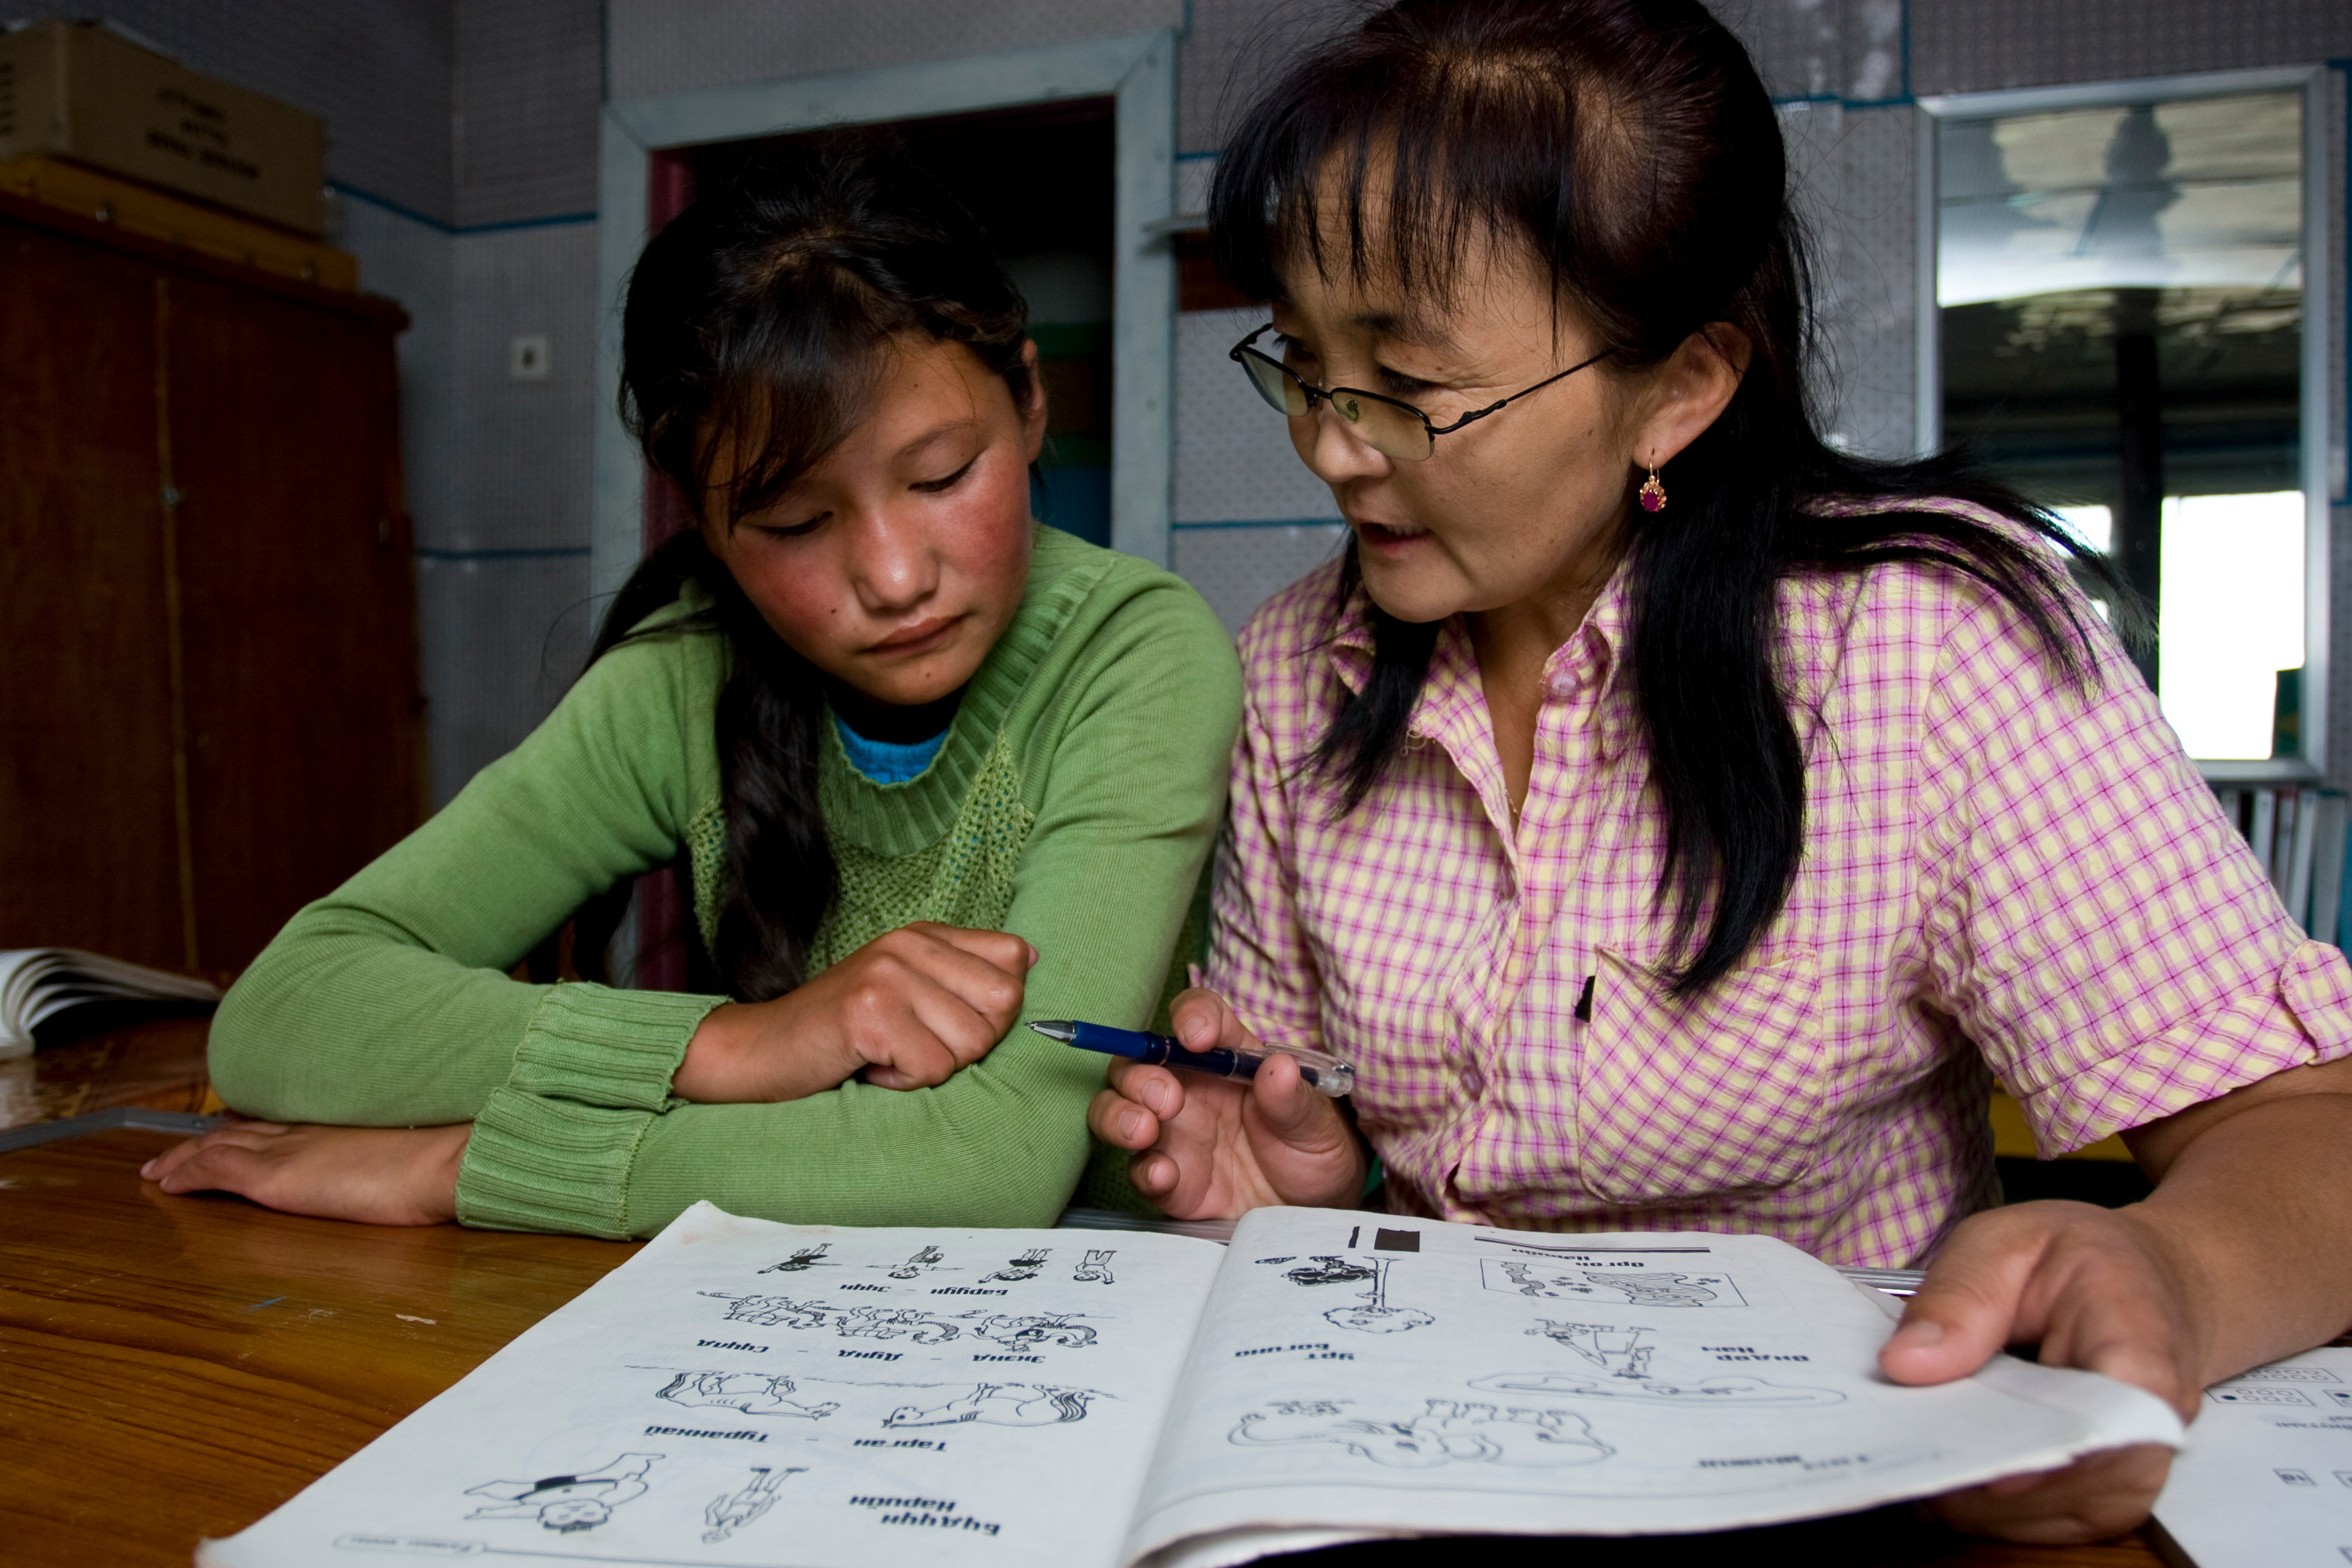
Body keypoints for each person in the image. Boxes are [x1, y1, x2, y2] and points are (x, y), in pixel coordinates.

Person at [1085, 0, 2352, 1542]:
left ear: (1680, 387)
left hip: (1837, 1494)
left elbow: (2305, 1123)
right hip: (1421, 1466)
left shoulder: (1923, 643)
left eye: (1410, 384)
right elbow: (1340, 1141)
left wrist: (2180, 1271)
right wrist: (1304, 1177)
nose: (1337, 447)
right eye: (1303, 362)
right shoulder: (1302, 667)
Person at [144, 136, 1241, 1237]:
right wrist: (737, 1045)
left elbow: (988, 1165)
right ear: (703, 526)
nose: (896, 577)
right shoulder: (680, 675)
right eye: (795, 523)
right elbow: (279, 1020)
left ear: (1031, 403)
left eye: (944, 475)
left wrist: (461, 1167)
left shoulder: (1134, 655)